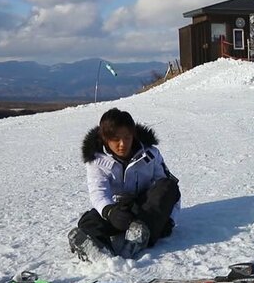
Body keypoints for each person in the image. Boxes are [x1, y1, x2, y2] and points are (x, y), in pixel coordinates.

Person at [68, 108, 181, 261]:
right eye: (115, 139)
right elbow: (98, 192)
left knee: (167, 186)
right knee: (88, 221)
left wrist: (169, 220)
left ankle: (142, 233)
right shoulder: (96, 161)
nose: (122, 144)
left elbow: (170, 190)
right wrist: (109, 211)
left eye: (127, 137)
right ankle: (100, 250)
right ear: (105, 139)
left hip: (145, 209)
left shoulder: (150, 154)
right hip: (118, 211)